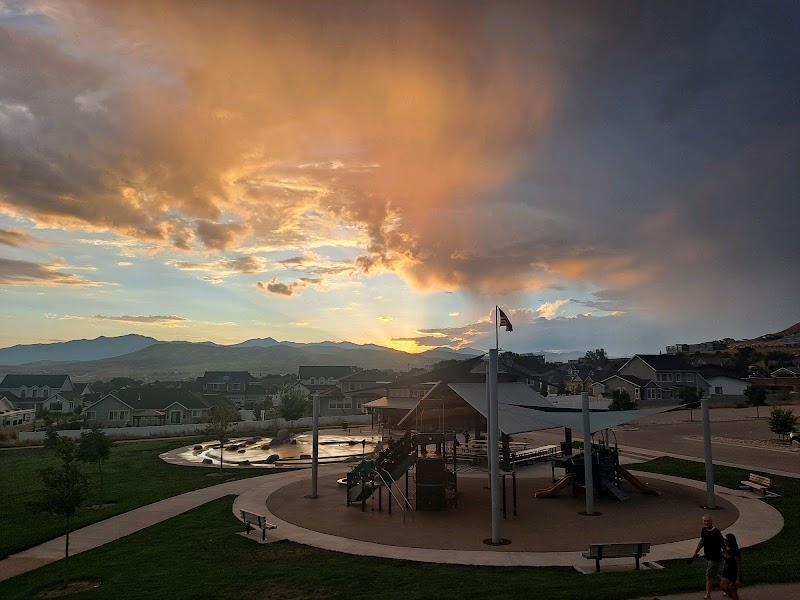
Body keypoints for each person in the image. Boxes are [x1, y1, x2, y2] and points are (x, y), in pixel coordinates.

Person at [691, 514, 725, 599]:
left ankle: (708, 595)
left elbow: (722, 544)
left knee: (708, 576)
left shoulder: (716, 532)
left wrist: (726, 553)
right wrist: (696, 552)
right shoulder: (704, 530)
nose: (706, 522)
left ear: (711, 521)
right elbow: (702, 541)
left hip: (715, 557)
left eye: (707, 521)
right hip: (707, 556)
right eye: (704, 521)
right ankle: (726, 585)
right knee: (713, 575)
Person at [720, 533, 742, 600]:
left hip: (733, 571)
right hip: (726, 570)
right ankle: (733, 598)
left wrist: (738, 579)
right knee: (723, 586)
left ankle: (734, 598)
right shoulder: (725, 547)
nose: (725, 541)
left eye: (726, 540)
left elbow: (738, 565)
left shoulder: (735, 551)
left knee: (732, 589)